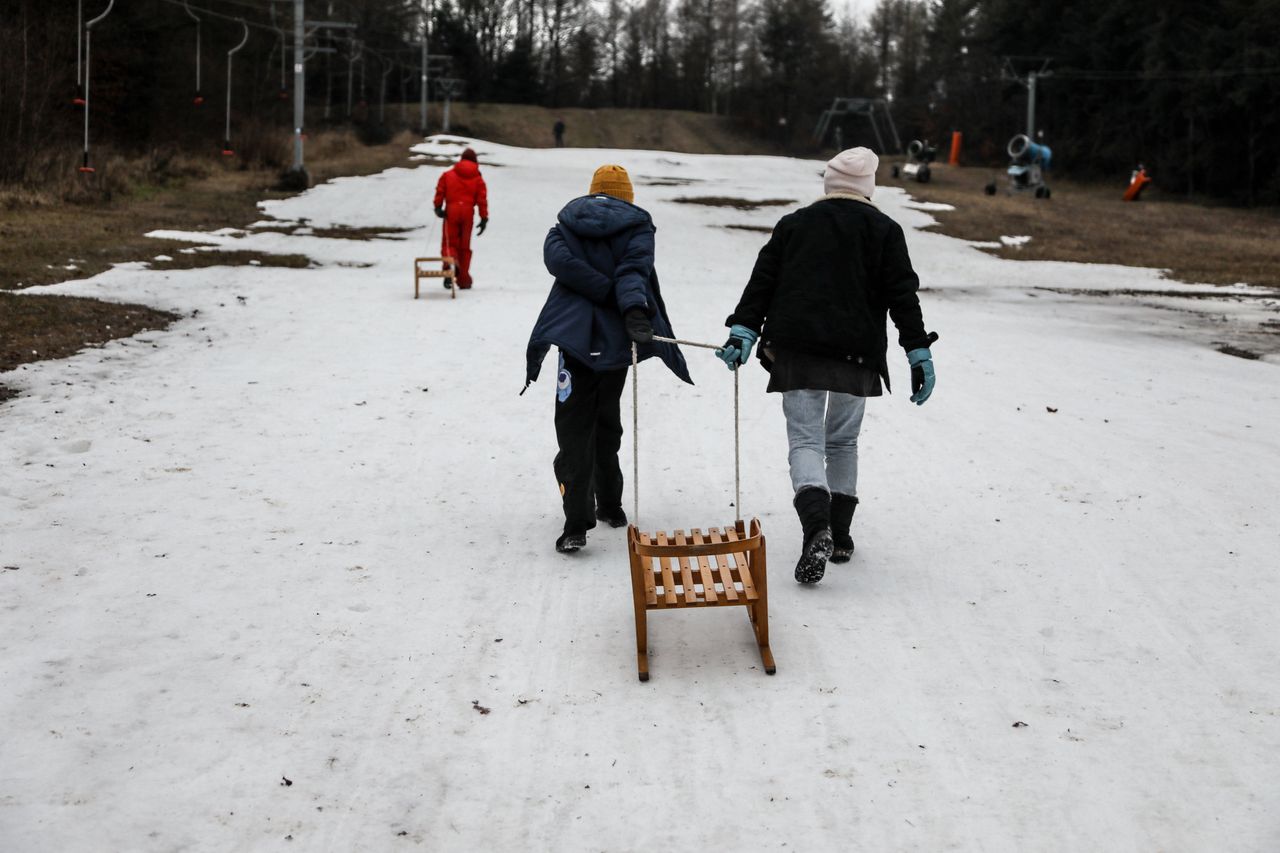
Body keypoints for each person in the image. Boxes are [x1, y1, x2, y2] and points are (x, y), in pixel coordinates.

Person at [718, 146, 938, 584]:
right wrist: (918, 351)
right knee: (841, 442)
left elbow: (762, 283)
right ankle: (839, 535)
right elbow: (902, 296)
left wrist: (743, 330)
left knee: (805, 441)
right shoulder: (885, 230)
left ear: (829, 183)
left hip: (798, 353)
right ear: (868, 187)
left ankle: (815, 526)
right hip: (856, 357)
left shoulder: (794, 225)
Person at [525, 165, 692, 554]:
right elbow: (634, 272)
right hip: (616, 341)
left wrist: (603, 291)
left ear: (593, 192)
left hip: (574, 340)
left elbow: (561, 264)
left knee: (573, 426)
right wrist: (626, 303)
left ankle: (576, 523)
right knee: (605, 417)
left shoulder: (563, 226)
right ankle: (611, 505)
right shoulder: (638, 228)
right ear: (627, 196)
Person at [433, 147, 488, 289]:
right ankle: (463, 279)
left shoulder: (448, 175)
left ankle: (448, 270)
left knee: (449, 243)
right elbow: (482, 199)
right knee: (464, 246)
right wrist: (484, 218)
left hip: (451, 211)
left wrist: (438, 207)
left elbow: (440, 190)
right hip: (468, 212)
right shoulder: (478, 178)